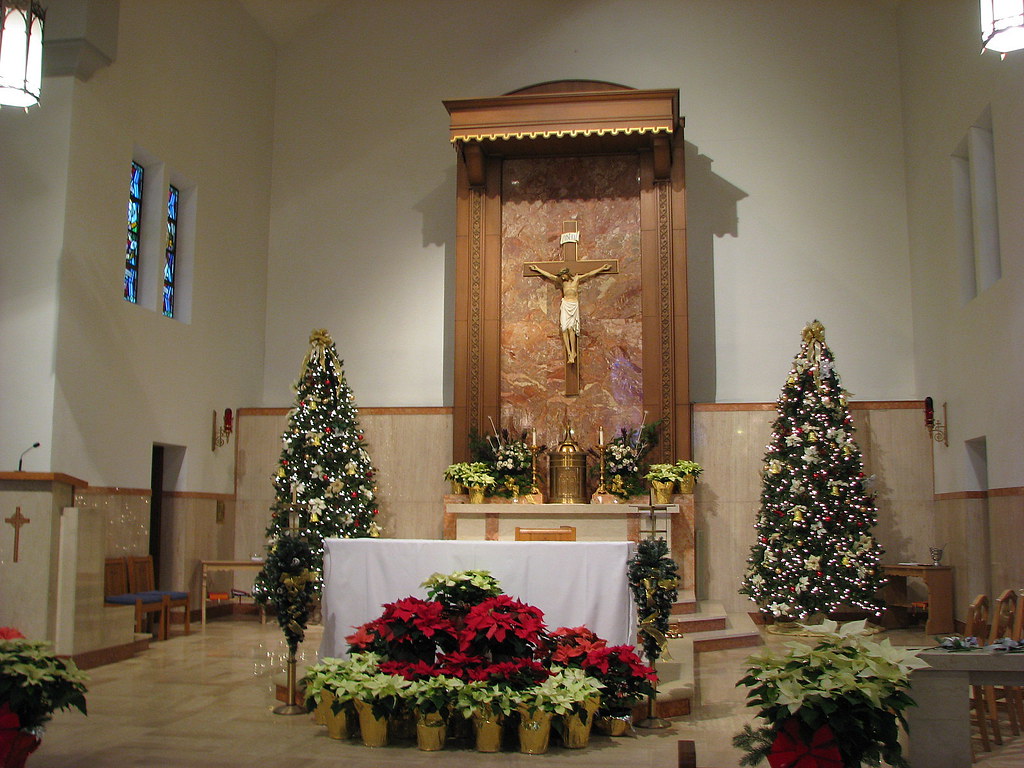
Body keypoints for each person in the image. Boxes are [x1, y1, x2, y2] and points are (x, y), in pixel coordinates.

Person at [529, 262, 612, 363]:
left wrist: (603, 268)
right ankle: (569, 353)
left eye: (563, 275)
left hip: (573, 305)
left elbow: (590, 274)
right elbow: (549, 276)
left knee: (571, 329)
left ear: (567, 274)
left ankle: (573, 352)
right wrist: (537, 269)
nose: (562, 277)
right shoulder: (562, 282)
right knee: (564, 328)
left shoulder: (576, 279)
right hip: (565, 305)